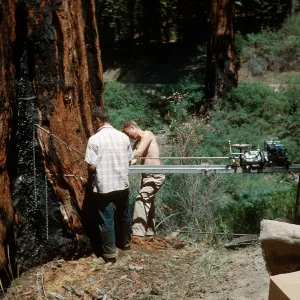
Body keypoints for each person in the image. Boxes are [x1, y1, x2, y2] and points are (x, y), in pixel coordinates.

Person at [84, 107, 133, 263]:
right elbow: (129, 160)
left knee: (106, 220)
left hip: (104, 187)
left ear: (97, 120)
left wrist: (95, 167)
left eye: (94, 121)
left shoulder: (94, 140)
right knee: (124, 215)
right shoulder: (123, 137)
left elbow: (91, 166)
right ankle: (125, 244)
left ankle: (110, 255)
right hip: (122, 184)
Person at [122, 121, 165, 239]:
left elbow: (138, 153)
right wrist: (122, 165)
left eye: (128, 133)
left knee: (141, 199)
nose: (128, 136)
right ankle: (150, 232)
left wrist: (120, 157)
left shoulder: (147, 134)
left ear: (132, 127)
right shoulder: (137, 142)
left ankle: (137, 233)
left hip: (155, 175)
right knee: (148, 202)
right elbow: (134, 159)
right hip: (146, 176)